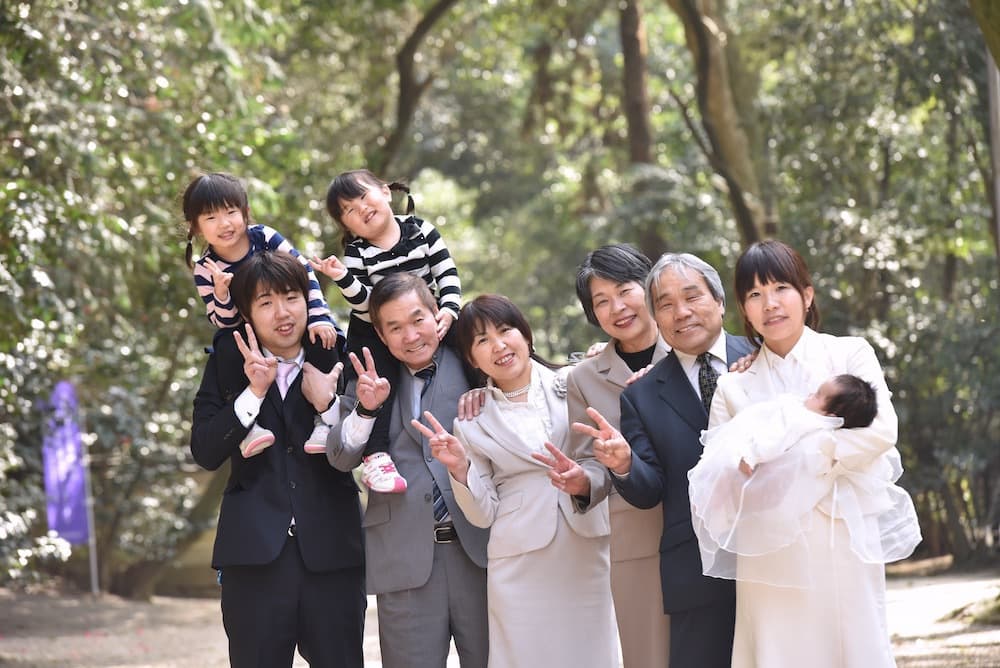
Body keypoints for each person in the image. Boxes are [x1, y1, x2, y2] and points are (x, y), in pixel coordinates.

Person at [707, 239, 921, 667]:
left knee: (852, 647)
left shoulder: (848, 353)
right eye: (754, 294)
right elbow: (719, 471)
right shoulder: (733, 386)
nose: (770, 304)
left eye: (781, 288)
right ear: (743, 310)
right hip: (767, 554)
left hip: (840, 539)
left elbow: (880, 431)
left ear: (807, 295)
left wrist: (799, 463)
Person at [415, 294, 615, 668]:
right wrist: (460, 470)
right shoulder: (471, 420)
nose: (499, 345)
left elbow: (606, 449)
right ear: (473, 359)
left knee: (594, 653)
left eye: (505, 331)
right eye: (482, 340)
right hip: (519, 558)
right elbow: (483, 513)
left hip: (584, 547)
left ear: (526, 335)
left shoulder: (575, 382)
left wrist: (583, 481)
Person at [575, 252, 753, 668]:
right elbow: (648, 487)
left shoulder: (765, 356)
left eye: (692, 297)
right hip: (695, 569)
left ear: (721, 301)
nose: (682, 312)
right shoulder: (641, 393)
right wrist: (622, 464)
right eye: (667, 305)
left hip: (778, 555)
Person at [189, 250, 364, 667]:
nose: (282, 313)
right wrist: (253, 394)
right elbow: (206, 450)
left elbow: (367, 449)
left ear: (309, 300)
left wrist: (328, 405)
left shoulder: (338, 353)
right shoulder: (227, 363)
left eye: (291, 297)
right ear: (247, 313)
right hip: (253, 560)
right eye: (266, 303)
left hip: (333, 556)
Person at [325, 272, 488, 668]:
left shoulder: (476, 364)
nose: (411, 336)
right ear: (381, 336)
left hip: (481, 553)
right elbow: (340, 456)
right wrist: (366, 410)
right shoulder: (368, 377)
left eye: (418, 320)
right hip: (403, 559)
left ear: (437, 315)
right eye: (395, 328)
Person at [312, 169, 462, 495]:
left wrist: (450, 309)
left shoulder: (421, 231)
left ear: (385, 191)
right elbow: (366, 306)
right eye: (349, 210)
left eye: (364, 196)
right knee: (379, 383)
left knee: (474, 333)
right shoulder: (357, 253)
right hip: (373, 325)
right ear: (346, 225)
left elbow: (447, 273)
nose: (361, 208)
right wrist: (343, 278)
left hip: (430, 312)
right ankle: (376, 455)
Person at [183, 172, 344, 458]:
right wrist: (221, 295)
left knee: (322, 334)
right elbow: (223, 320)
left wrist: (319, 315)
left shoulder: (265, 236)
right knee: (228, 344)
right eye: (210, 218)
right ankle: (250, 426)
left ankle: (323, 421)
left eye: (231, 212)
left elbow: (304, 270)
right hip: (243, 330)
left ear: (245, 212)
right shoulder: (205, 268)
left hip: (283, 332)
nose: (224, 224)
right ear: (195, 227)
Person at [566, 244, 671, 666]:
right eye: (601, 302)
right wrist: (582, 480)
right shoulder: (584, 378)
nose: (617, 308)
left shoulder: (691, 351)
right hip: (638, 542)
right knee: (649, 655)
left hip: (705, 527)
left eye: (625, 290)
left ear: (647, 286)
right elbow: (590, 463)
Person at [690, 373, 894, 579]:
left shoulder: (803, 420)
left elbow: (776, 438)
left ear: (831, 416)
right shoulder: (813, 420)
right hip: (762, 450)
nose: (810, 394)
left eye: (818, 395)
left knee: (725, 474)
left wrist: (752, 455)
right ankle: (718, 510)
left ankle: (715, 511)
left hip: (752, 449)